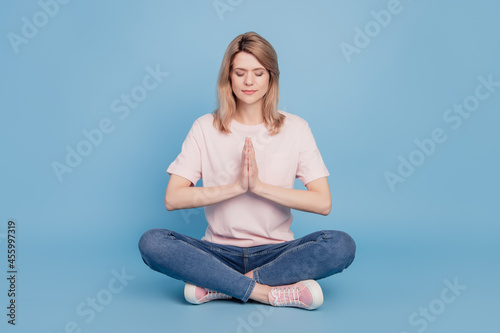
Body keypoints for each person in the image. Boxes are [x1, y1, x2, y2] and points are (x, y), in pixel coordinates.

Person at [138, 31, 356, 310]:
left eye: (258, 73)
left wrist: (259, 187)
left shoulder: (296, 128)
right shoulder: (205, 127)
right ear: (228, 77)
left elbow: (323, 202)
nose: (249, 81)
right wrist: (237, 188)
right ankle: (265, 292)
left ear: (271, 77)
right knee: (153, 242)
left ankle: (220, 285)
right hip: (217, 252)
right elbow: (173, 198)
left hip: (277, 253)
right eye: (240, 73)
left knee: (341, 245)